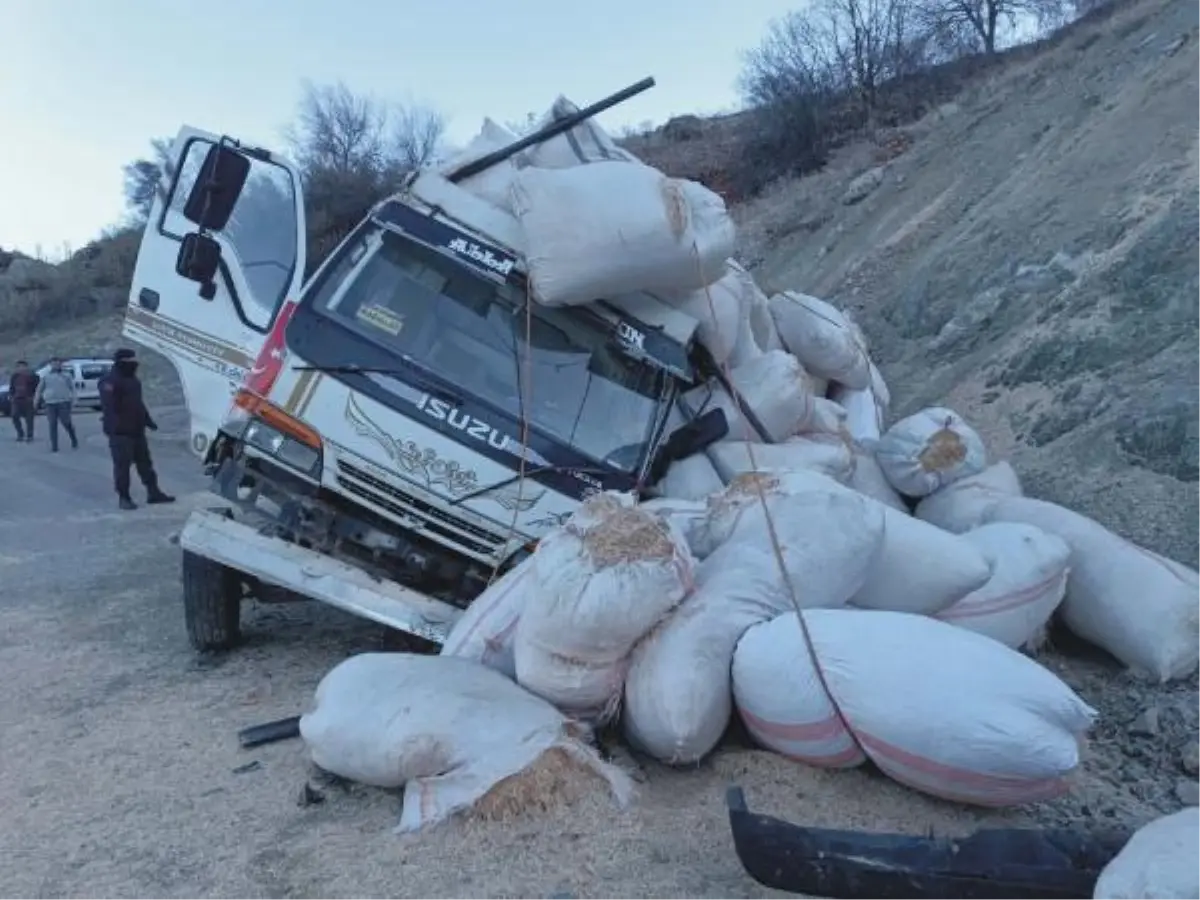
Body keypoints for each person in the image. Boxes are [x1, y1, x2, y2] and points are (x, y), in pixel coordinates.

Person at [99, 348, 175, 510]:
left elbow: (138, 404)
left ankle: (153, 493)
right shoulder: (109, 381)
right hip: (120, 433)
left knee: (145, 463)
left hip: (137, 430)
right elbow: (109, 408)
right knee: (122, 467)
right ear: (121, 362)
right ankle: (124, 497)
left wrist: (148, 421)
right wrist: (115, 427)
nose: (135, 363)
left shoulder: (133, 381)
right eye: (130, 360)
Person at [33, 357, 79, 452]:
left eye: (58, 363)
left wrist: (74, 399)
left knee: (66, 422)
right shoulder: (46, 376)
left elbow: (73, 388)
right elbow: (39, 390)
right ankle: (54, 446)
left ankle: (73, 438)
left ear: (61, 364)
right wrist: (36, 400)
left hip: (64, 402)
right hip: (50, 403)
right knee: (52, 423)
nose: (56, 365)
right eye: (54, 364)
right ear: (50, 365)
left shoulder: (66, 375)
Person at [8, 360, 39, 443]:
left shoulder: (33, 376)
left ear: (26, 367)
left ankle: (30, 435)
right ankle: (20, 433)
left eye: (22, 366)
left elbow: (37, 387)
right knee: (14, 416)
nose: (21, 368)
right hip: (16, 399)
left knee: (29, 419)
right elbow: (12, 387)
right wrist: (11, 395)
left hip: (28, 399)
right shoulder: (14, 376)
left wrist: (34, 397)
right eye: (19, 367)